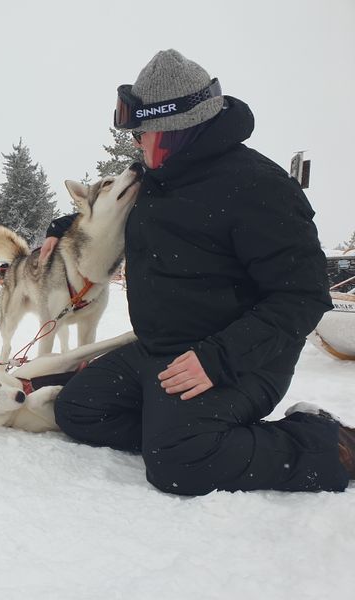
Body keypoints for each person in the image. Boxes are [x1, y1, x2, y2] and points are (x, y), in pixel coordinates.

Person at [42, 49, 353, 495]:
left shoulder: (259, 188)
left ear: (175, 129)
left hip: (238, 362)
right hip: (159, 351)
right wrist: (58, 232)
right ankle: (173, 429)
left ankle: (328, 442)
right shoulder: (155, 176)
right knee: (79, 411)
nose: (135, 143)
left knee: (182, 464)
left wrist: (218, 359)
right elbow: (102, 213)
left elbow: (302, 297)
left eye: (142, 132)